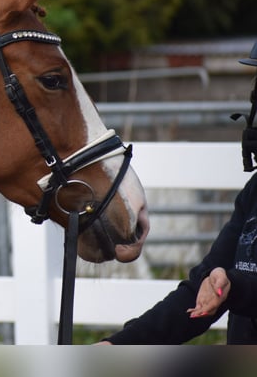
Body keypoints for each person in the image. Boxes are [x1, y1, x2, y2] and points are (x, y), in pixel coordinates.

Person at [101, 41, 257, 344]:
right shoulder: (254, 192)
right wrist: (118, 345)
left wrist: (232, 286)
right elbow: (201, 289)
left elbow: (227, 286)